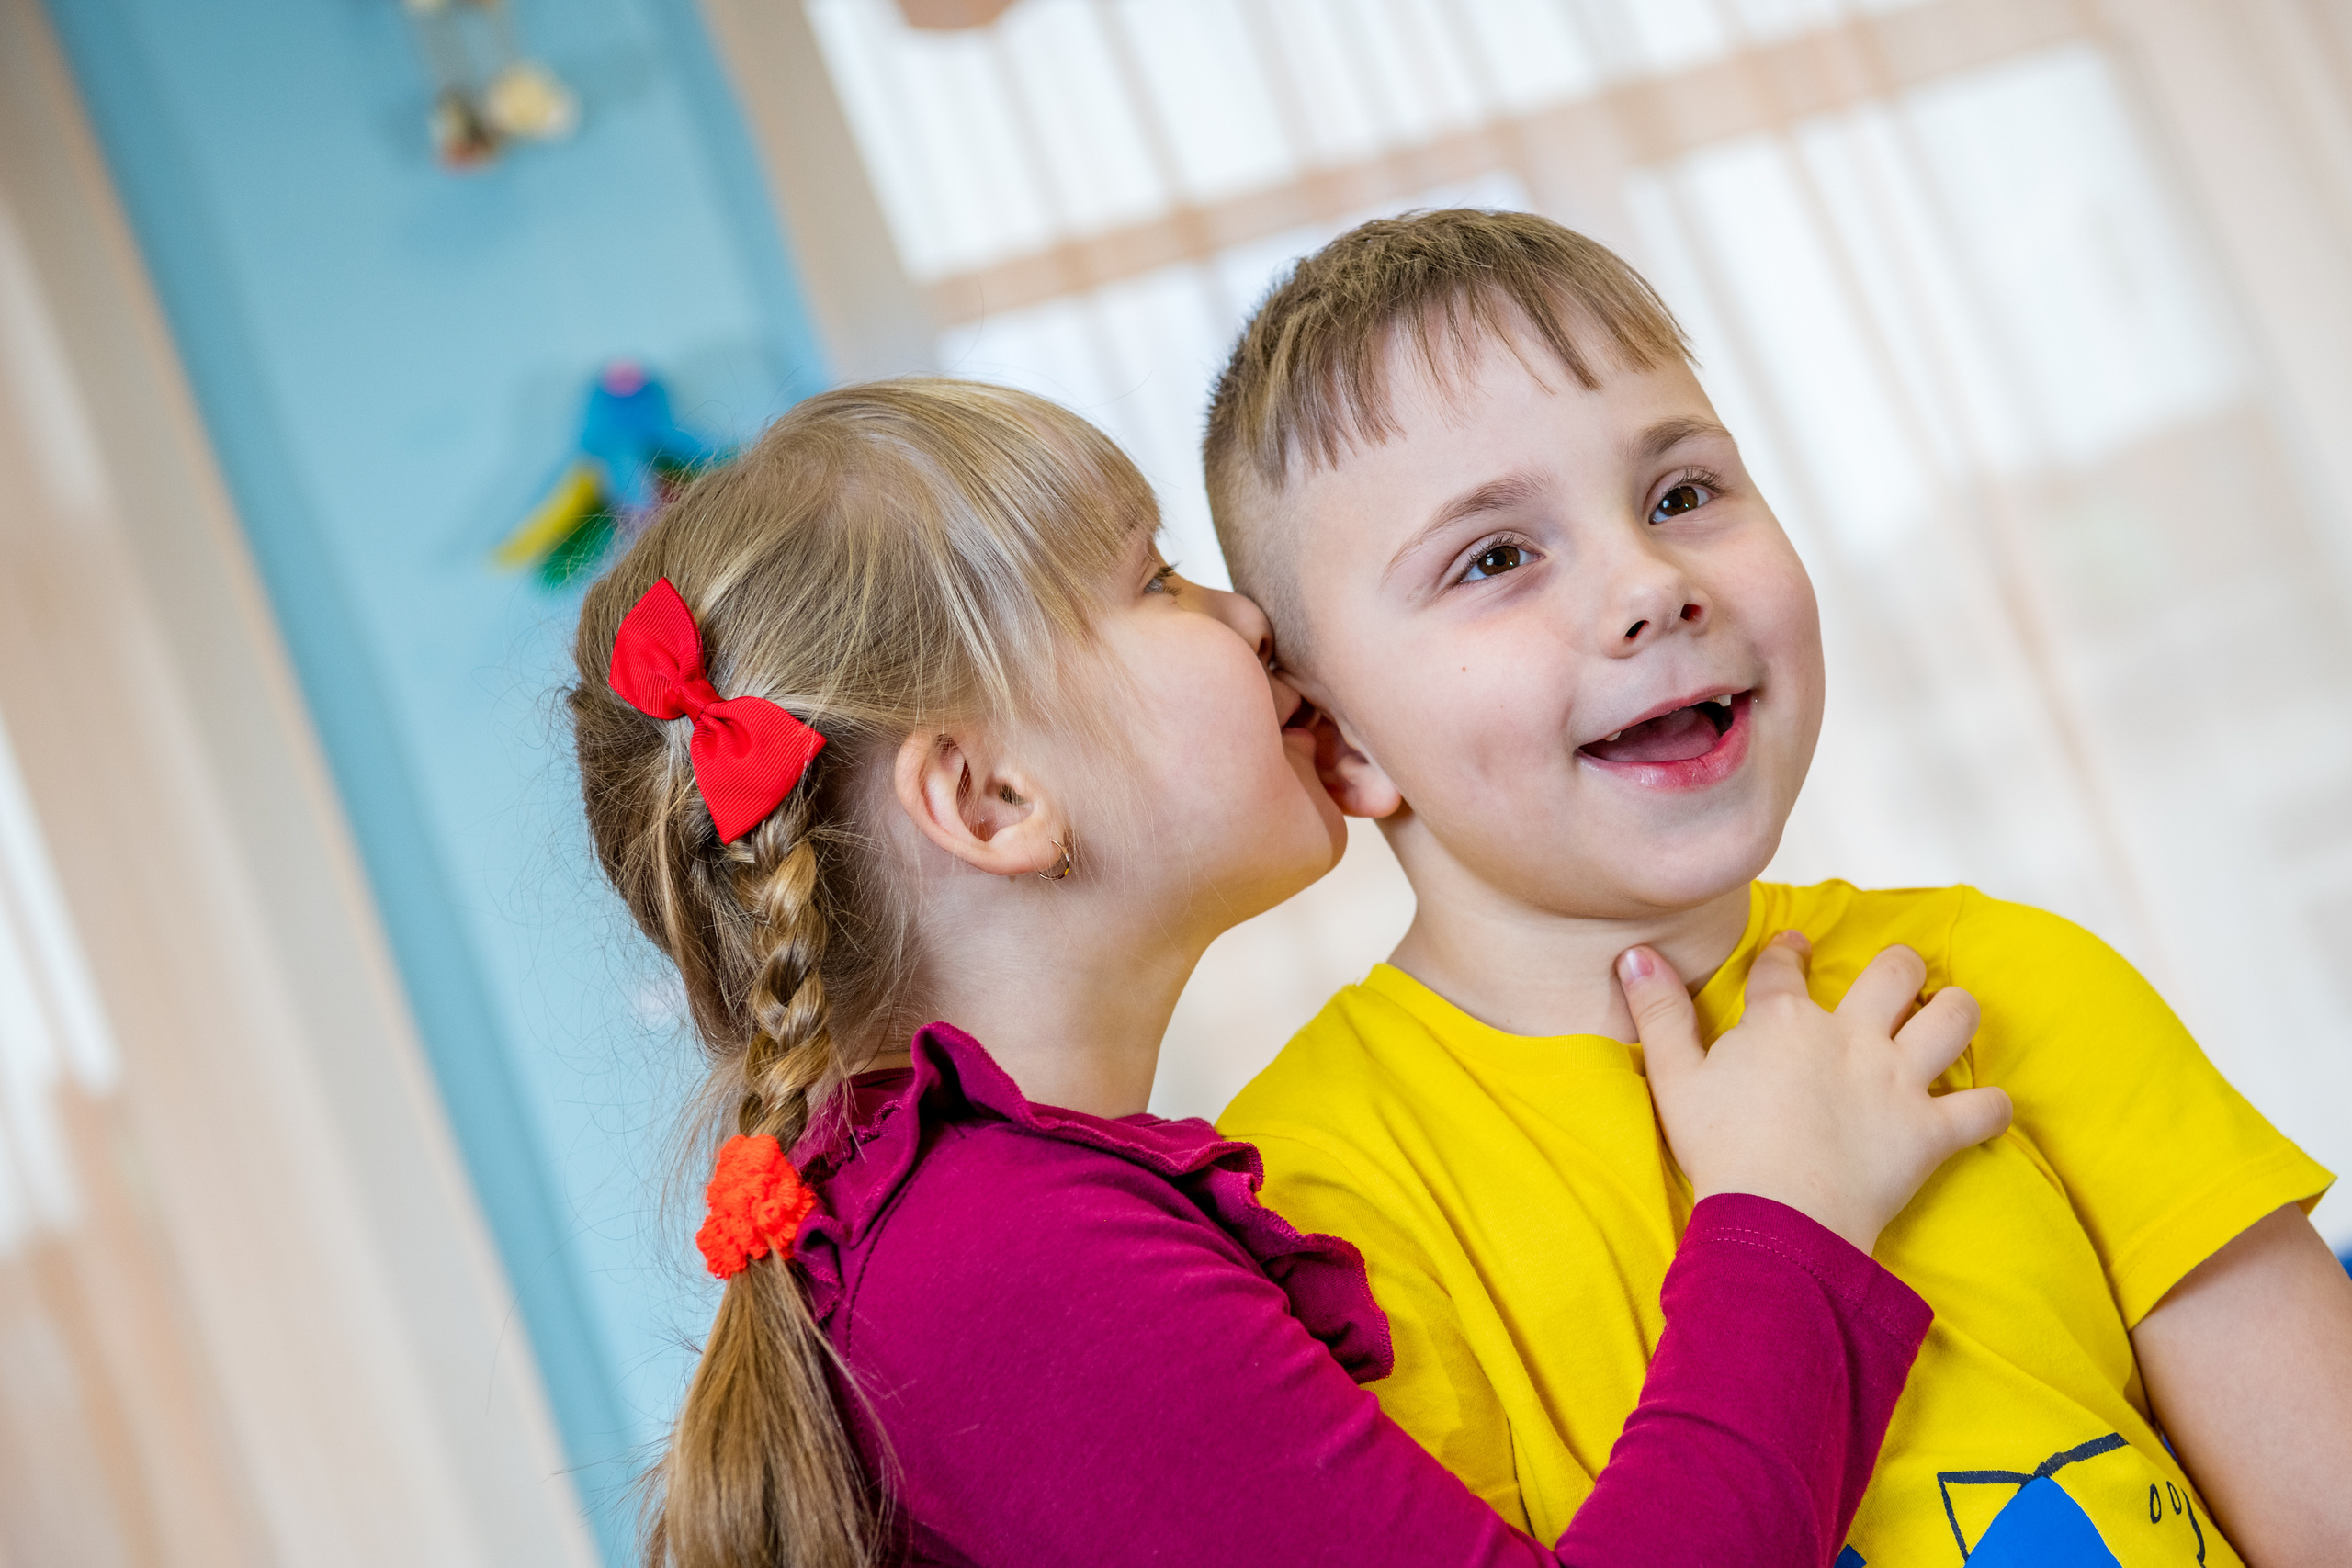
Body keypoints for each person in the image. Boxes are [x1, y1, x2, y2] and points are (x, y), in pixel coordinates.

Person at [567, 379, 2012, 1568]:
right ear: (994, 802)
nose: (1247, 619)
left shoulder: (984, 1228)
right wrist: (1783, 1216)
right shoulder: (1003, 1265)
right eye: (1153, 583)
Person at [1204, 209, 2352, 1568]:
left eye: (1681, 494)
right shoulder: (1312, 1195)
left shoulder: (2010, 979)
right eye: (1495, 556)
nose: (1652, 583)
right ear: (1342, 744)